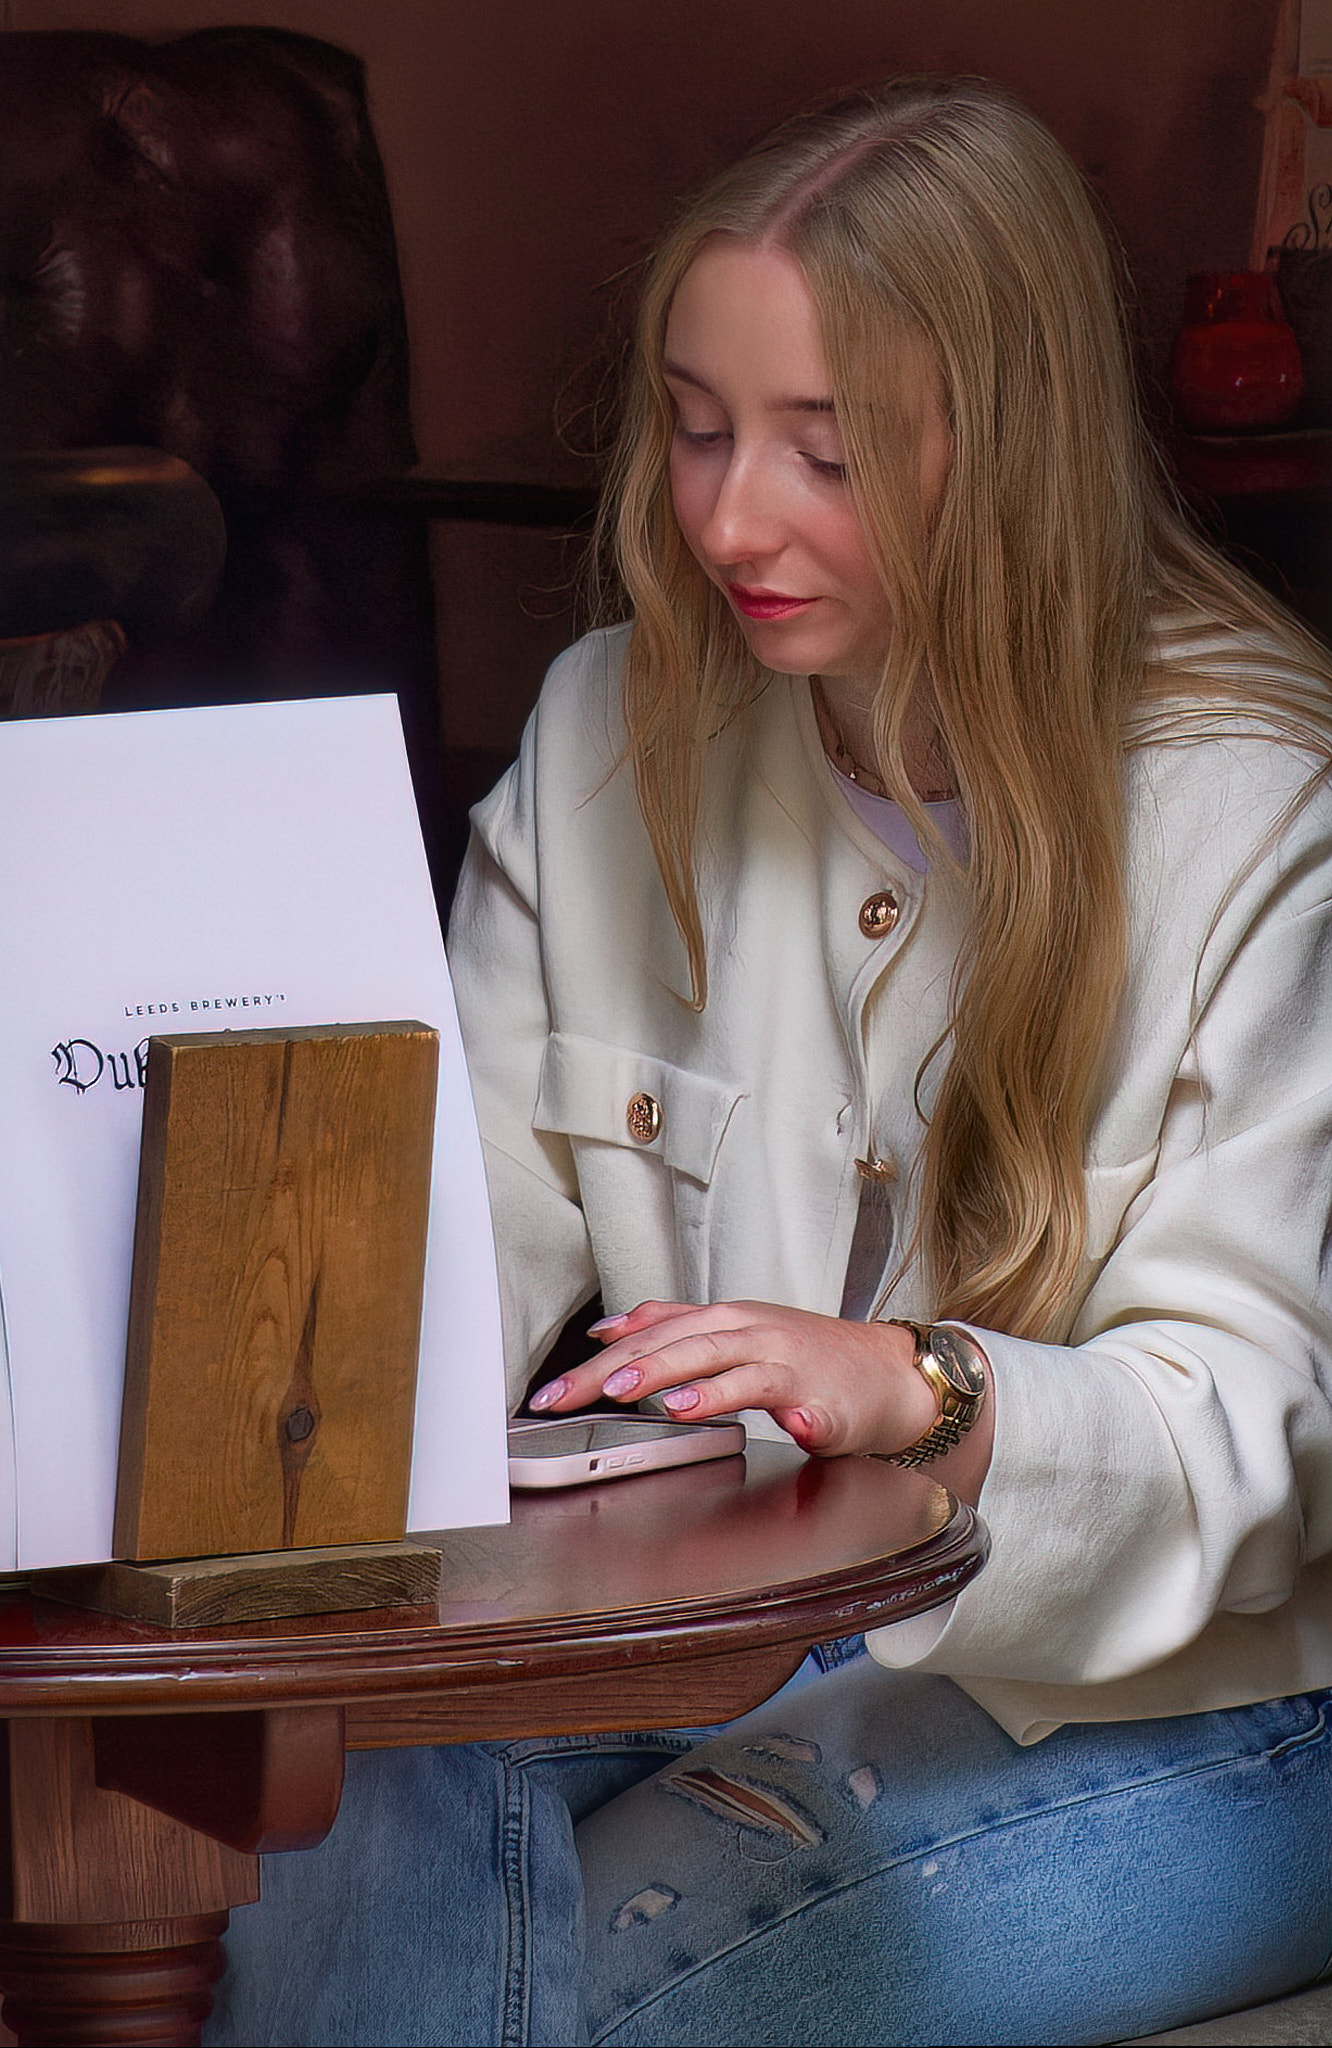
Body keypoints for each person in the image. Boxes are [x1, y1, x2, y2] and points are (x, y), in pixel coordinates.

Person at [206, 76, 1332, 2048]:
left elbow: (1259, 1437)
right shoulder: (604, 729)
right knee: (317, 1797)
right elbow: (442, 1250)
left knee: (575, 1997)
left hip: (1200, 1701)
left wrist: (920, 1389)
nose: (729, 520)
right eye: (699, 426)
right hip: (720, 1615)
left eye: (826, 450)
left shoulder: (1263, 807)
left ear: (1013, 448)